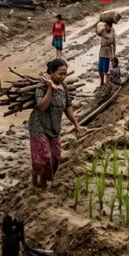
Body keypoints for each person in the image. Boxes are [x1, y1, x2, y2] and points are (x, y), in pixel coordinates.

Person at [29, 59, 82, 189]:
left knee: (56, 157)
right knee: (45, 158)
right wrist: (50, 88)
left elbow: (67, 107)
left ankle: (34, 171)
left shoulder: (64, 87)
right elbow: (42, 106)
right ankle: (42, 188)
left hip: (54, 128)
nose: (63, 77)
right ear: (51, 73)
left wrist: (76, 124)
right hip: (38, 126)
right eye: (60, 74)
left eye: (65, 74)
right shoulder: (41, 86)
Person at [96, 21, 116, 87]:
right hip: (102, 51)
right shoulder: (102, 31)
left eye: (106, 26)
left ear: (110, 27)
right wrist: (96, 25)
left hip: (107, 53)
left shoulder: (112, 32)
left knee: (106, 70)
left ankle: (107, 84)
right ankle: (102, 83)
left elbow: (114, 44)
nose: (105, 27)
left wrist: (114, 55)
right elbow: (97, 32)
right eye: (105, 25)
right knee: (100, 69)